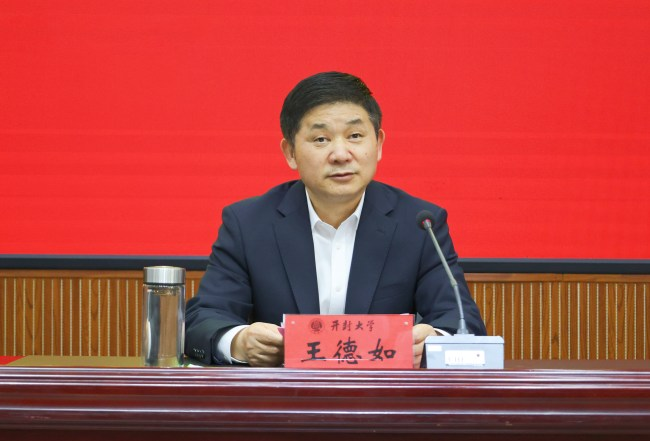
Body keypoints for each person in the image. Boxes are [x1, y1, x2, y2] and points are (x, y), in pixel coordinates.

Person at [185, 71, 486, 368]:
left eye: (355, 136)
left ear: (378, 144)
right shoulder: (249, 224)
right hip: (285, 396)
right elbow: (203, 320)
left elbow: (463, 323)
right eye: (321, 139)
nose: (341, 154)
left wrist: (432, 343)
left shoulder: (419, 225)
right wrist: (239, 342)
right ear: (290, 152)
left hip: (382, 396)